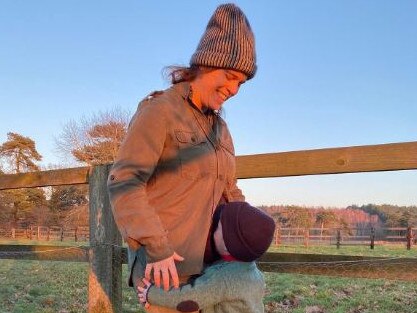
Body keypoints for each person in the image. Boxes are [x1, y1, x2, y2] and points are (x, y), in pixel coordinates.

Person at [107, 3, 256, 312]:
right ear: (205, 63)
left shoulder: (222, 129)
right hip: (167, 268)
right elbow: (125, 181)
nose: (233, 89)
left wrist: (252, 233)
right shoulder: (160, 111)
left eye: (240, 82)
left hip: (210, 272)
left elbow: (231, 191)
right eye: (229, 76)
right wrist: (158, 249)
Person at [137, 202, 276, 313]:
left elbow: (188, 299)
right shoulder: (252, 271)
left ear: (229, 245)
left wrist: (151, 294)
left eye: (217, 227)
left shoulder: (225, 278)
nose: (212, 228)